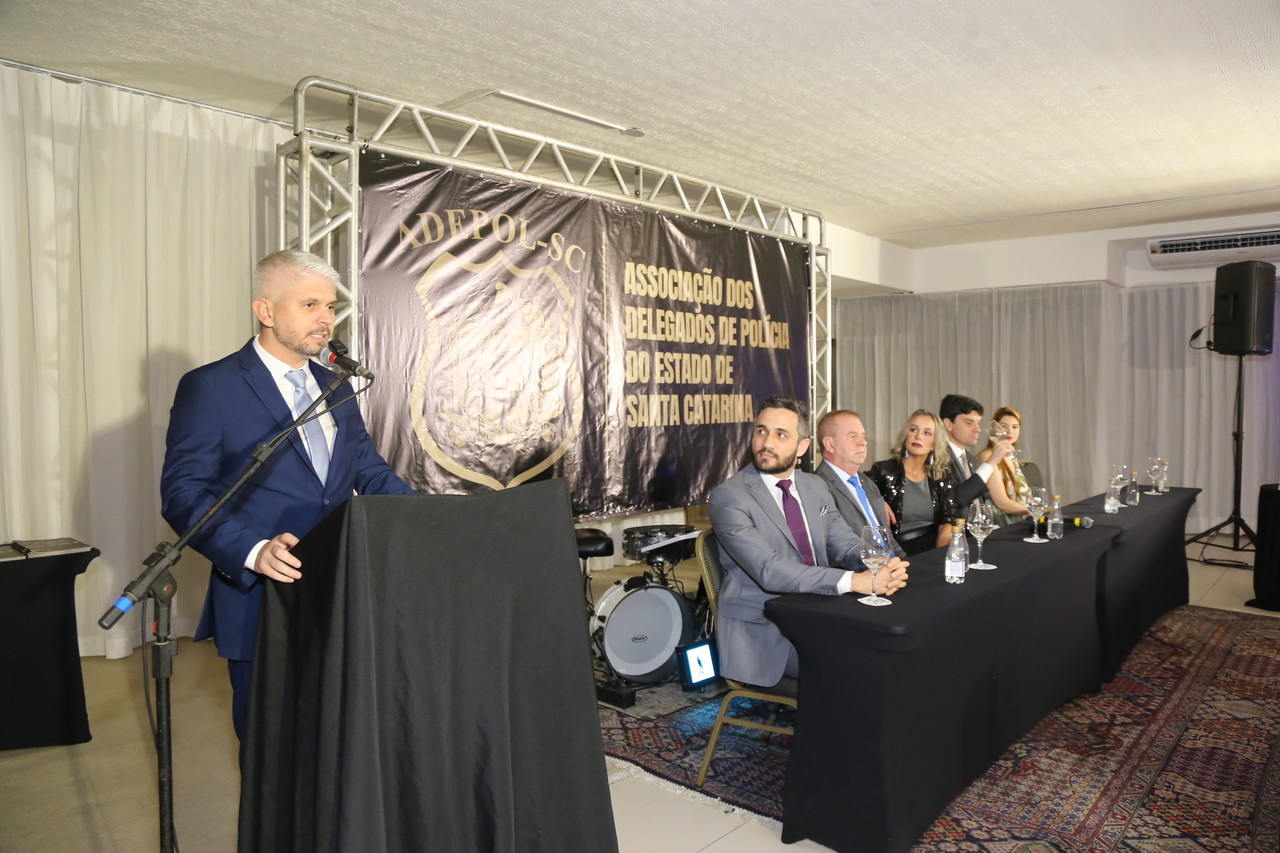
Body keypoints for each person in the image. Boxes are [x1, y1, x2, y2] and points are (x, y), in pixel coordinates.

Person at [160, 250, 416, 745]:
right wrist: (252, 550)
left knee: (340, 734)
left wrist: (429, 516)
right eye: (310, 305)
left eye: (331, 307)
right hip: (261, 591)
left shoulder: (336, 386)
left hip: (341, 587)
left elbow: (368, 470)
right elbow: (183, 493)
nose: (325, 319)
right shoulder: (210, 387)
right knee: (270, 743)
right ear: (266, 310)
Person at [708, 395, 909, 687]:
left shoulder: (814, 486)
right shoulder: (729, 496)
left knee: (895, 649)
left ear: (802, 446)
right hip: (768, 630)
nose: (767, 442)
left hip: (821, 611)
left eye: (781, 434)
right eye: (762, 431)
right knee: (860, 666)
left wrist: (883, 564)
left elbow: (846, 544)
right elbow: (769, 570)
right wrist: (856, 581)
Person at [815, 409, 907, 559]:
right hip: (861, 570)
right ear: (829, 444)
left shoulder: (867, 482)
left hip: (890, 568)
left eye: (863, 436)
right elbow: (838, 549)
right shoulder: (818, 487)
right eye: (852, 436)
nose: (863, 442)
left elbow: (887, 538)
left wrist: (905, 563)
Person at [868, 410, 959, 555]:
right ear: (906, 435)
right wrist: (877, 501)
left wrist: (940, 554)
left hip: (932, 546)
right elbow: (856, 489)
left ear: (935, 442)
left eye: (927, 433)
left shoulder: (941, 476)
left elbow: (948, 519)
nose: (918, 436)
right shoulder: (883, 470)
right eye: (913, 430)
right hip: (896, 549)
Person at [939, 393, 1013, 508]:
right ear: (948, 424)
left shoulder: (970, 458)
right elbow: (956, 499)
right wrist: (992, 461)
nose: (978, 429)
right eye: (969, 423)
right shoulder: (938, 457)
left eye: (978, 423)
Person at [977, 406, 1032, 525]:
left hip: (1021, 522)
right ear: (994, 429)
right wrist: (1035, 512)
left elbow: (1022, 497)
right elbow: (1002, 503)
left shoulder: (1011, 457)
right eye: (1004, 426)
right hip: (1001, 526)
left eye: (1015, 427)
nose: (1010, 431)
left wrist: (1039, 507)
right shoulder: (988, 456)